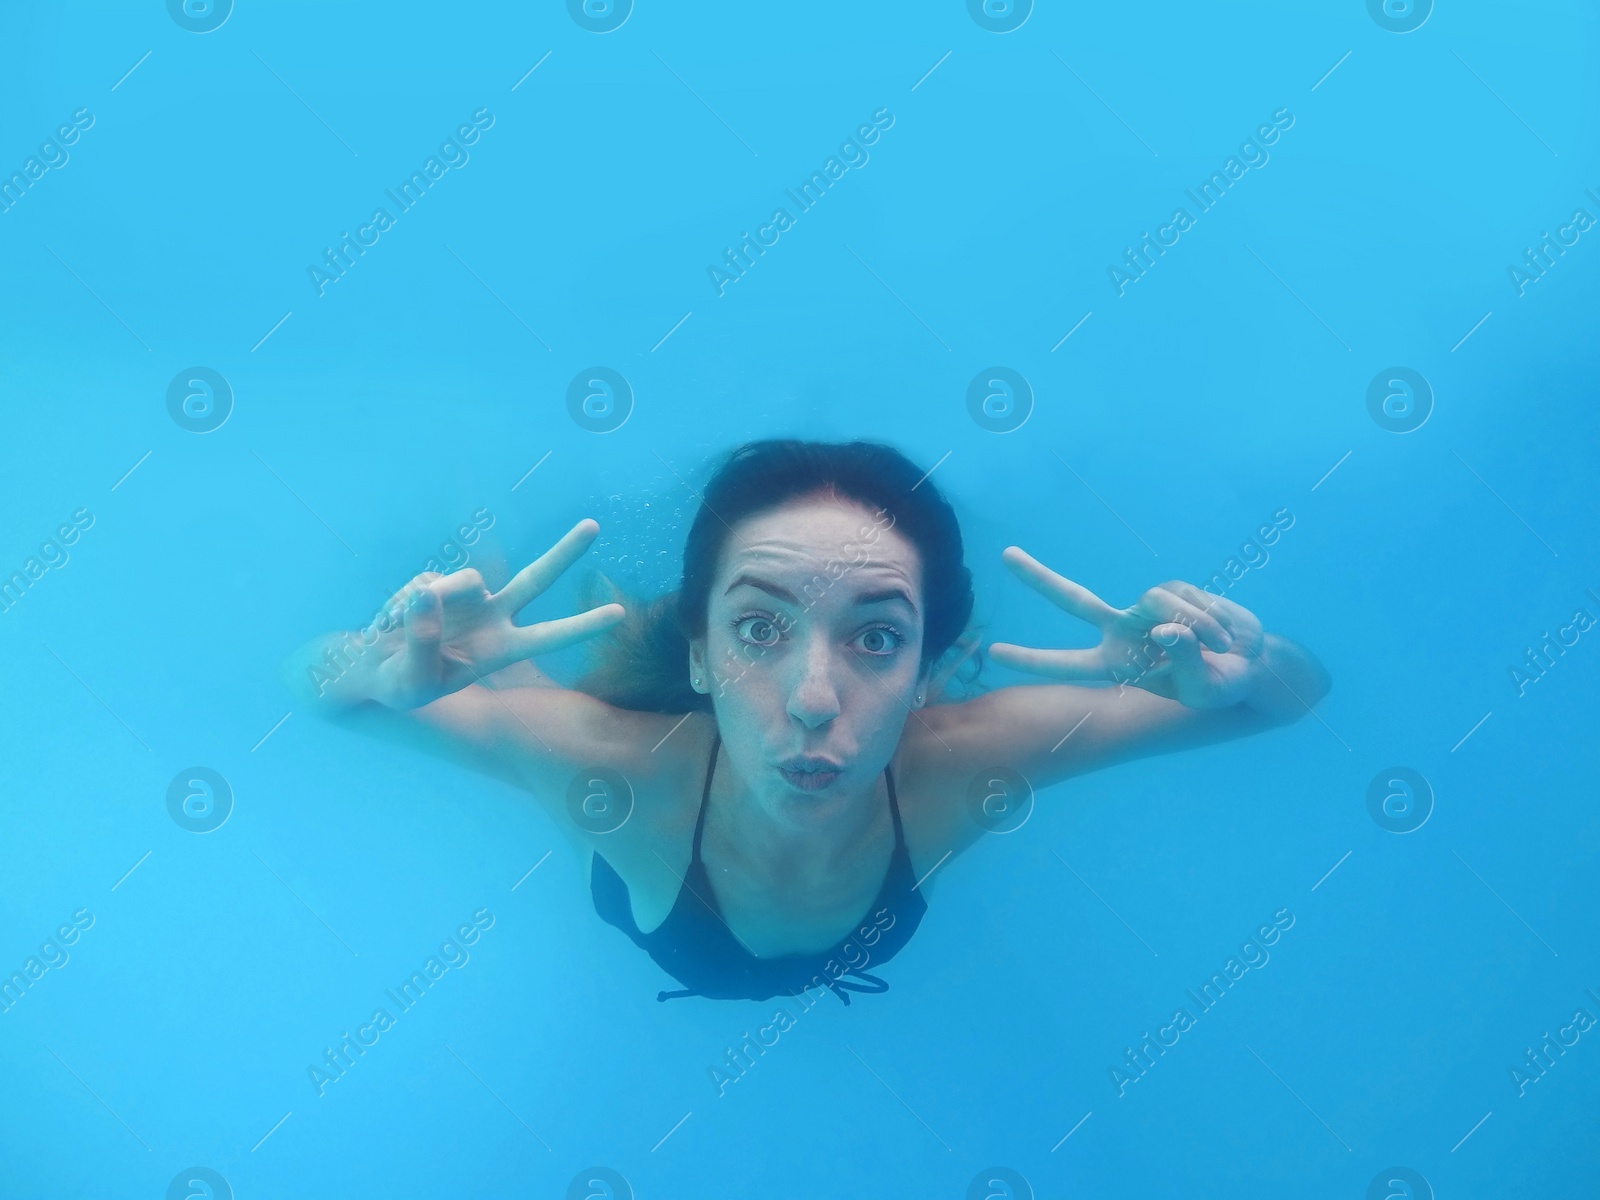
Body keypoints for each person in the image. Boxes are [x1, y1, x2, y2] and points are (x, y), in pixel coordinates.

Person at [284, 440, 1331, 1006]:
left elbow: (1289, 699)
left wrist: (1236, 660)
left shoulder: (965, 763)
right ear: (699, 652)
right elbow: (316, 687)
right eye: (757, 629)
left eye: (878, 638)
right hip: (661, 864)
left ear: (930, 670)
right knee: (508, 685)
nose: (813, 697)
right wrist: (378, 662)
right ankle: (471, 567)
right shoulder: (617, 776)